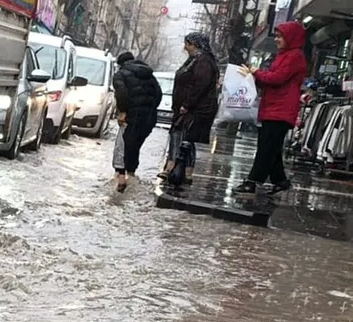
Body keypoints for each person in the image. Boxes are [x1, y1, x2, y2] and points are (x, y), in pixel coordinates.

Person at [233, 21, 307, 195]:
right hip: (273, 107)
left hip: (280, 110)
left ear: (290, 38)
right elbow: (271, 81)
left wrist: (256, 72)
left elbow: (277, 78)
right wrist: (254, 76)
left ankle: (252, 181)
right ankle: (280, 180)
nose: (277, 40)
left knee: (266, 148)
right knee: (271, 147)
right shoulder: (284, 55)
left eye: (280, 36)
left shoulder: (294, 56)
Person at [160, 32, 219, 185]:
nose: (185, 47)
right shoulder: (195, 60)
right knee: (186, 139)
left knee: (180, 135)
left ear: (196, 45)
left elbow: (200, 85)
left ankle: (174, 168)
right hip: (188, 108)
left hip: (194, 110)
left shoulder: (203, 62)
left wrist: (187, 104)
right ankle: (183, 171)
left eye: (188, 44)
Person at [111, 51, 163, 192]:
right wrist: (149, 109)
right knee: (135, 146)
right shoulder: (149, 75)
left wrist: (122, 111)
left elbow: (121, 92)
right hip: (149, 119)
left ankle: (121, 181)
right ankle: (132, 176)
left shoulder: (120, 74)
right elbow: (158, 95)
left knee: (123, 146)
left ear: (120, 64)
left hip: (131, 116)